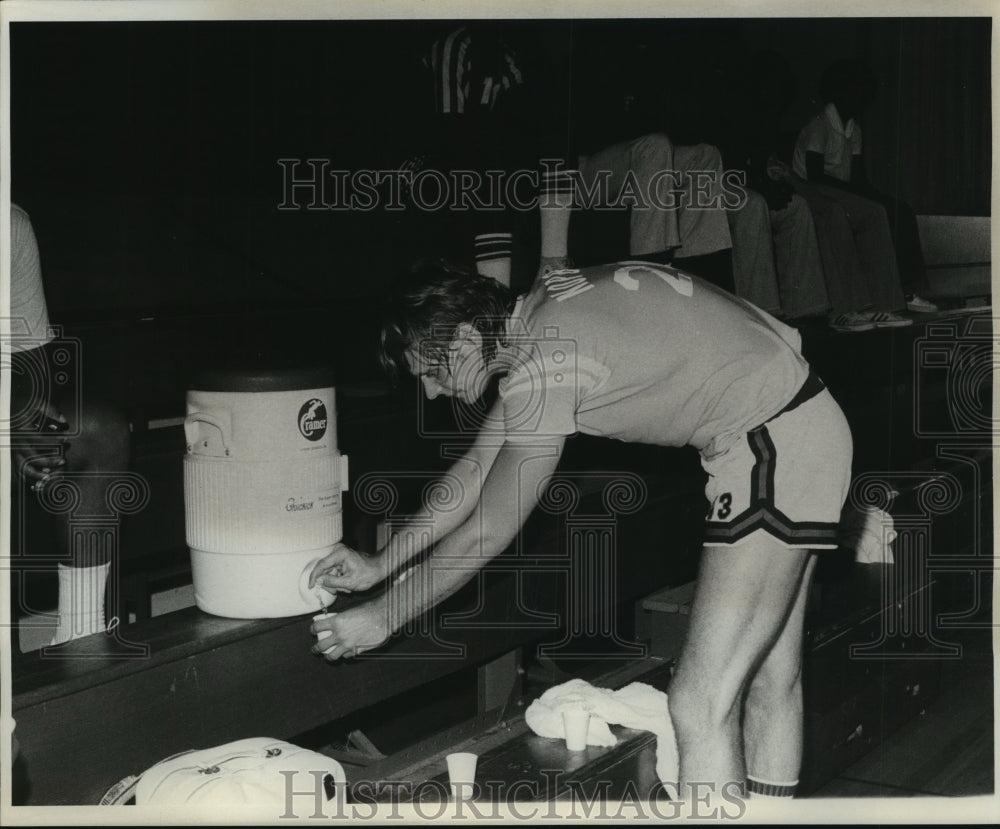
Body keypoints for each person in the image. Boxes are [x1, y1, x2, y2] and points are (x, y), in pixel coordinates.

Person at [309, 258, 853, 799]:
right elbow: (476, 469)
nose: (430, 392)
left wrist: (386, 616)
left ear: (470, 335)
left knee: (698, 702)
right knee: (769, 679)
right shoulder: (544, 307)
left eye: (434, 370)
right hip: (802, 419)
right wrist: (381, 563)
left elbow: (488, 532)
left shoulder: (544, 362)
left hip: (768, 445)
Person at [6, 203, 131, 647]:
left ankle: (82, 635)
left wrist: (19, 412)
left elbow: (29, 361)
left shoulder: (9, 221)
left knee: (96, 429)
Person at [792, 59, 938, 321]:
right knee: (871, 213)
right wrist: (855, 195)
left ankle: (905, 290)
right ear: (839, 92)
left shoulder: (854, 130)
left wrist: (879, 198)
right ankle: (863, 302)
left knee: (898, 211)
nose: (863, 99)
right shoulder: (819, 124)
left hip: (840, 191)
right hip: (812, 190)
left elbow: (858, 177)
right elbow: (815, 176)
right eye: (857, 91)